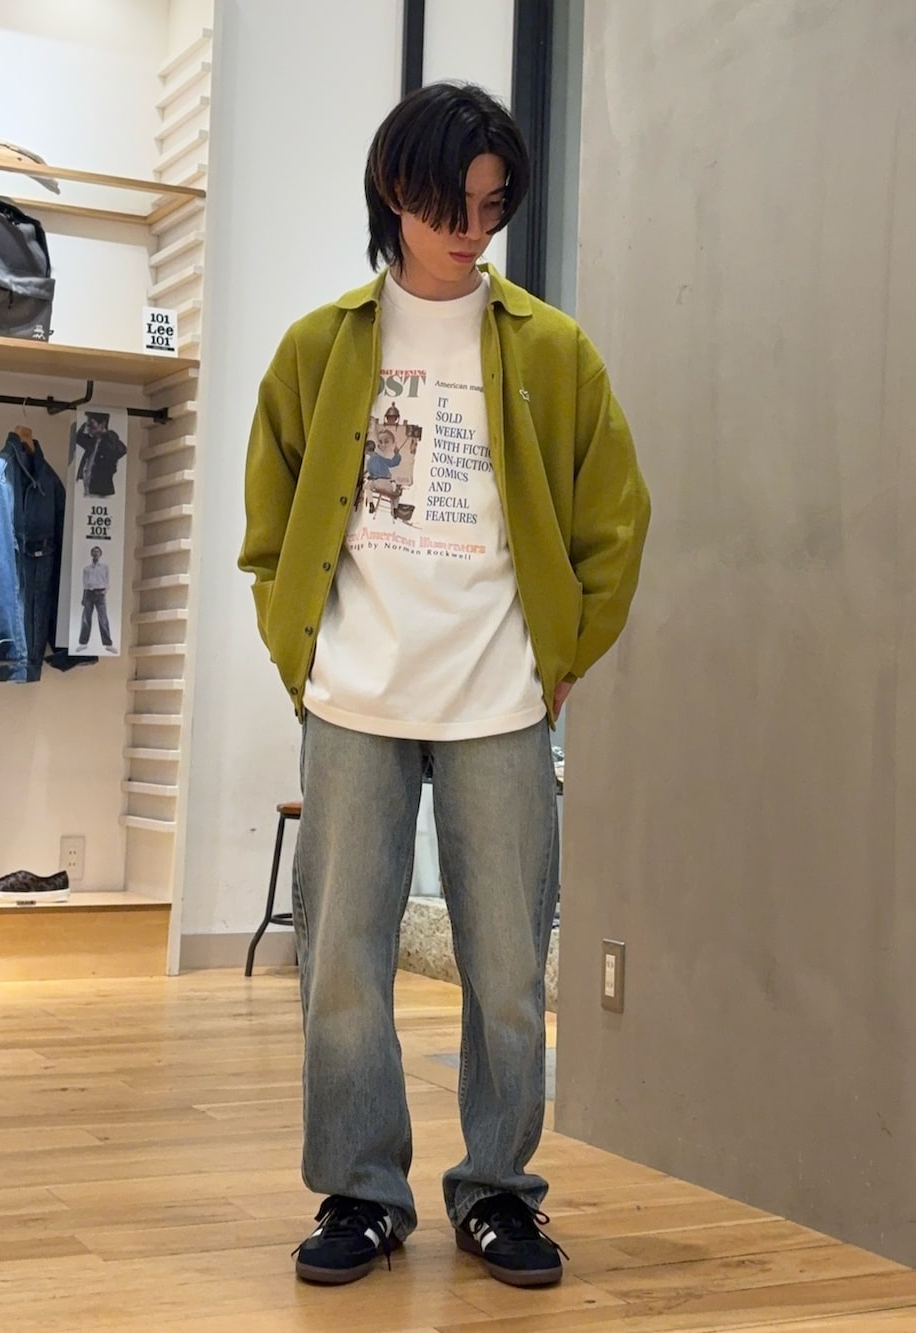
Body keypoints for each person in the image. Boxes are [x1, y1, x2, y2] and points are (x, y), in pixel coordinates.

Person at [239, 82, 650, 1290]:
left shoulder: (552, 351)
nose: (471, 230)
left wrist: (560, 660)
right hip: (353, 701)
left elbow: (614, 524)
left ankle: (497, 1190)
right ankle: (361, 1191)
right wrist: (305, 658)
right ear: (394, 193)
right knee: (341, 966)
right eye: (446, 204)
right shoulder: (319, 349)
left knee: (510, 971)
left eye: (491, 204)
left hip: (500, 703)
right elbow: (269, 531)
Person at [73, 411, 127, 497]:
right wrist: (85, 424)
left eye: (91, 424)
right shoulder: (93, 441)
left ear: (102, 424)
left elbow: (120, 450)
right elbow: (78, 438)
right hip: (88, 489)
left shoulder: (110, 440)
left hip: (101, 492)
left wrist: (105, 433)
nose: (89, 428)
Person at [78, 546, 117, 652]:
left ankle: (108, 644)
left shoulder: (104, 567)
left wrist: (105, 591)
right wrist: (83, 597)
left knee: (103, 619)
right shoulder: (86, 569)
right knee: (86, 619)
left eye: (98, 552)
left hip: (100, 594)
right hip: (89, 594)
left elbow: (107, 580)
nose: (96, 553)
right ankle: (83, 643)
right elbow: (84, 584)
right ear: (91, 554)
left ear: (100, 554)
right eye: (94, 552)